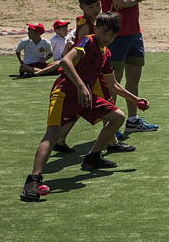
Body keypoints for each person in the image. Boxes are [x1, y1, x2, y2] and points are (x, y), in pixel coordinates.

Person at [20, 12, 149, 201]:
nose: (108, 38)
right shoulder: (87, 42)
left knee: (118, 117)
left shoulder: (106, 53)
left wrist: (135, 99)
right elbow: (65, 61)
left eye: (112, 35)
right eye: (105, 33)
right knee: (53, 134)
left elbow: (112, 84)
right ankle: (33, 180)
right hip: (65, 93)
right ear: (96, 29)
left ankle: (93, 157)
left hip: (85, 97)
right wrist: (81, 85)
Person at [97, 0, 158, 132]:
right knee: (113, 82)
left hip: (135, 34)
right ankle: (111, 126)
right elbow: (122, 1)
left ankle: (132, 121)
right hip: (114, 36)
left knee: (134, 77)